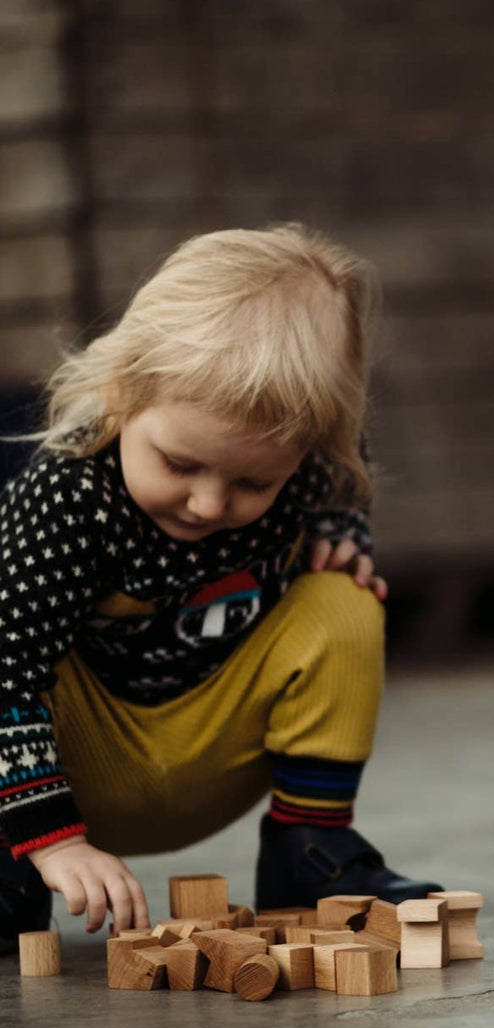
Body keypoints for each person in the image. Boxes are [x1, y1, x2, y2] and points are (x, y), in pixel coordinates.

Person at [0, 223, 440, 950]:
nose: (208, 504)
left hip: (205, 756)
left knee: (344, 601)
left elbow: (345, 473)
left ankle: (310, 852)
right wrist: (53, 843)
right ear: (121, 394)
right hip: (64, 769)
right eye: (179, 464)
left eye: (251, 482)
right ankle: (11, 867)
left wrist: (345, 536)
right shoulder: (69, 496)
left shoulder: (313, 462)